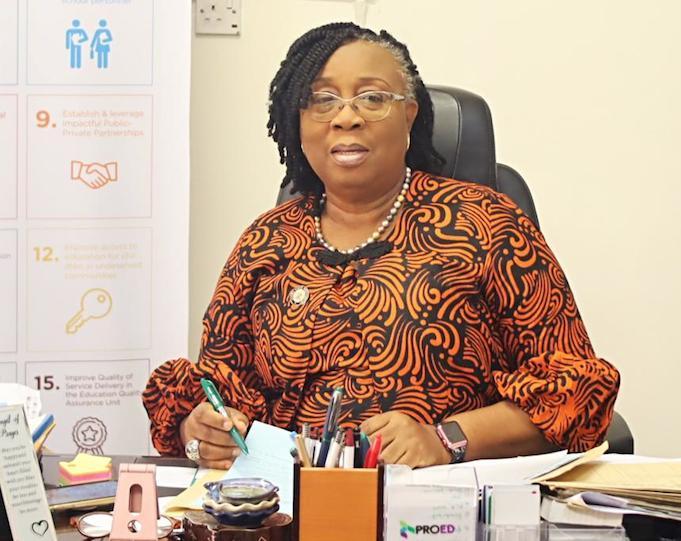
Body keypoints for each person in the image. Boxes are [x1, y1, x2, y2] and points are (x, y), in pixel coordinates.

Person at [143, 22, 620, 470]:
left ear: (409, 114)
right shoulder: (266, 241)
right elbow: (218, 391)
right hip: (288, 504)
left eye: (371, 97)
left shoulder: (488, 225)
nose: (346, 117)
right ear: (298, 122)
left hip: (438, 506)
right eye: (322, 100)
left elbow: (576, 392)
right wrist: (201, 431)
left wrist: (446, 439)